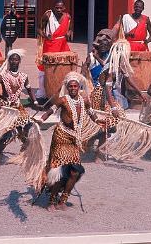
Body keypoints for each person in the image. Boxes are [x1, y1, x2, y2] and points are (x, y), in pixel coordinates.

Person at [35, 72, 101, 210]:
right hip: (61, 136)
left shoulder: (84, 101)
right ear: (67, 87)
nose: (72, 88)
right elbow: (50, 111)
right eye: (70, 86)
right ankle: (52, 200)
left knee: (75, 172)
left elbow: (91, 113)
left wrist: (99, 121)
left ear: (79, 87)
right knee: (58, 172)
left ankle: (63, 199)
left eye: (75, 86)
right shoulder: (63, 100)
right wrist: (41, 120)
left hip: (74, 139)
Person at [0, 50, 41, 165]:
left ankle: (25, 150)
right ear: (8, 61)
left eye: (16, 59)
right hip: (6, 108)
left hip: (18, 107)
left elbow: (30, 90)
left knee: (28, 128)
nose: (14, 61)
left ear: (19, 61)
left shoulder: (24, 77)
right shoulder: (3, 76)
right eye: (11, 59)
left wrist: (35, 103)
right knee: (8, 134)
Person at [37, 0, 72, 98]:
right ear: (54, 8)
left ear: (64, 8)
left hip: (63, 44)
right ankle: (43, 93)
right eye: (57, 8)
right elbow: (39, 29)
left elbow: (70, 29)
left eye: (61, 8)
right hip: (50, 44)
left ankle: (63, 92)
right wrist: (45, 35)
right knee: (45, 68)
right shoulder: (48, 15)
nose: (59, 10)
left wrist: (68, 33)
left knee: (65, 67)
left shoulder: (68, 17)